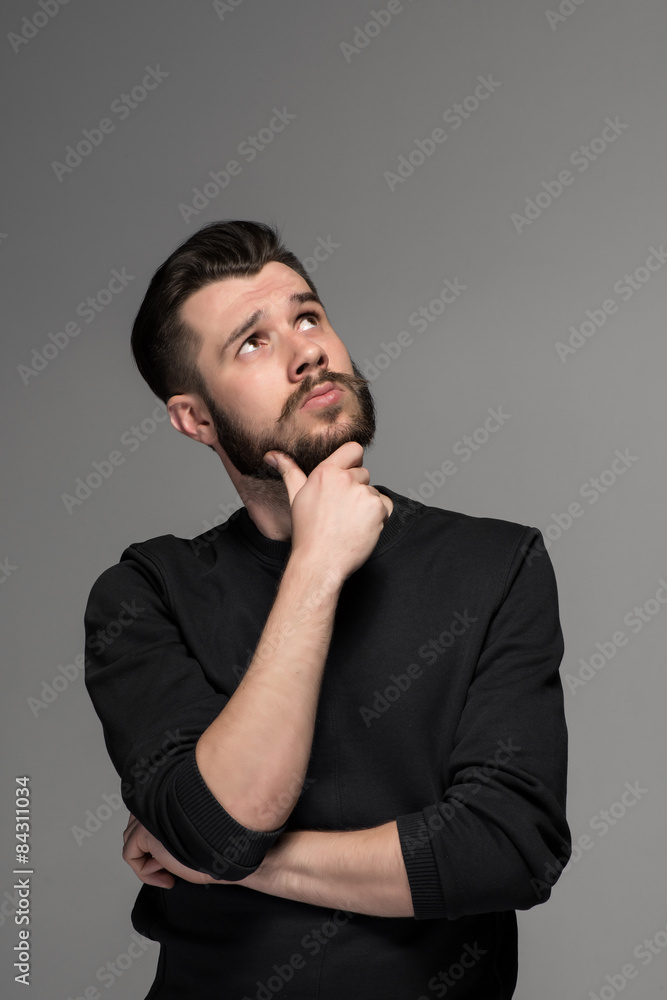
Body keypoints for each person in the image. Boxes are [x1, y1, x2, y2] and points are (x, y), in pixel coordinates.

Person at [83, 219, 571, 999]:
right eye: (251, 341)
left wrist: (231, 863)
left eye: (307, 317)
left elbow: (508, 851)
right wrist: (315, 567)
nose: (305, 349)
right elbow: (225, 820)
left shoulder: (494, 565)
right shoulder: (146, 593)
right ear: (195, 418)